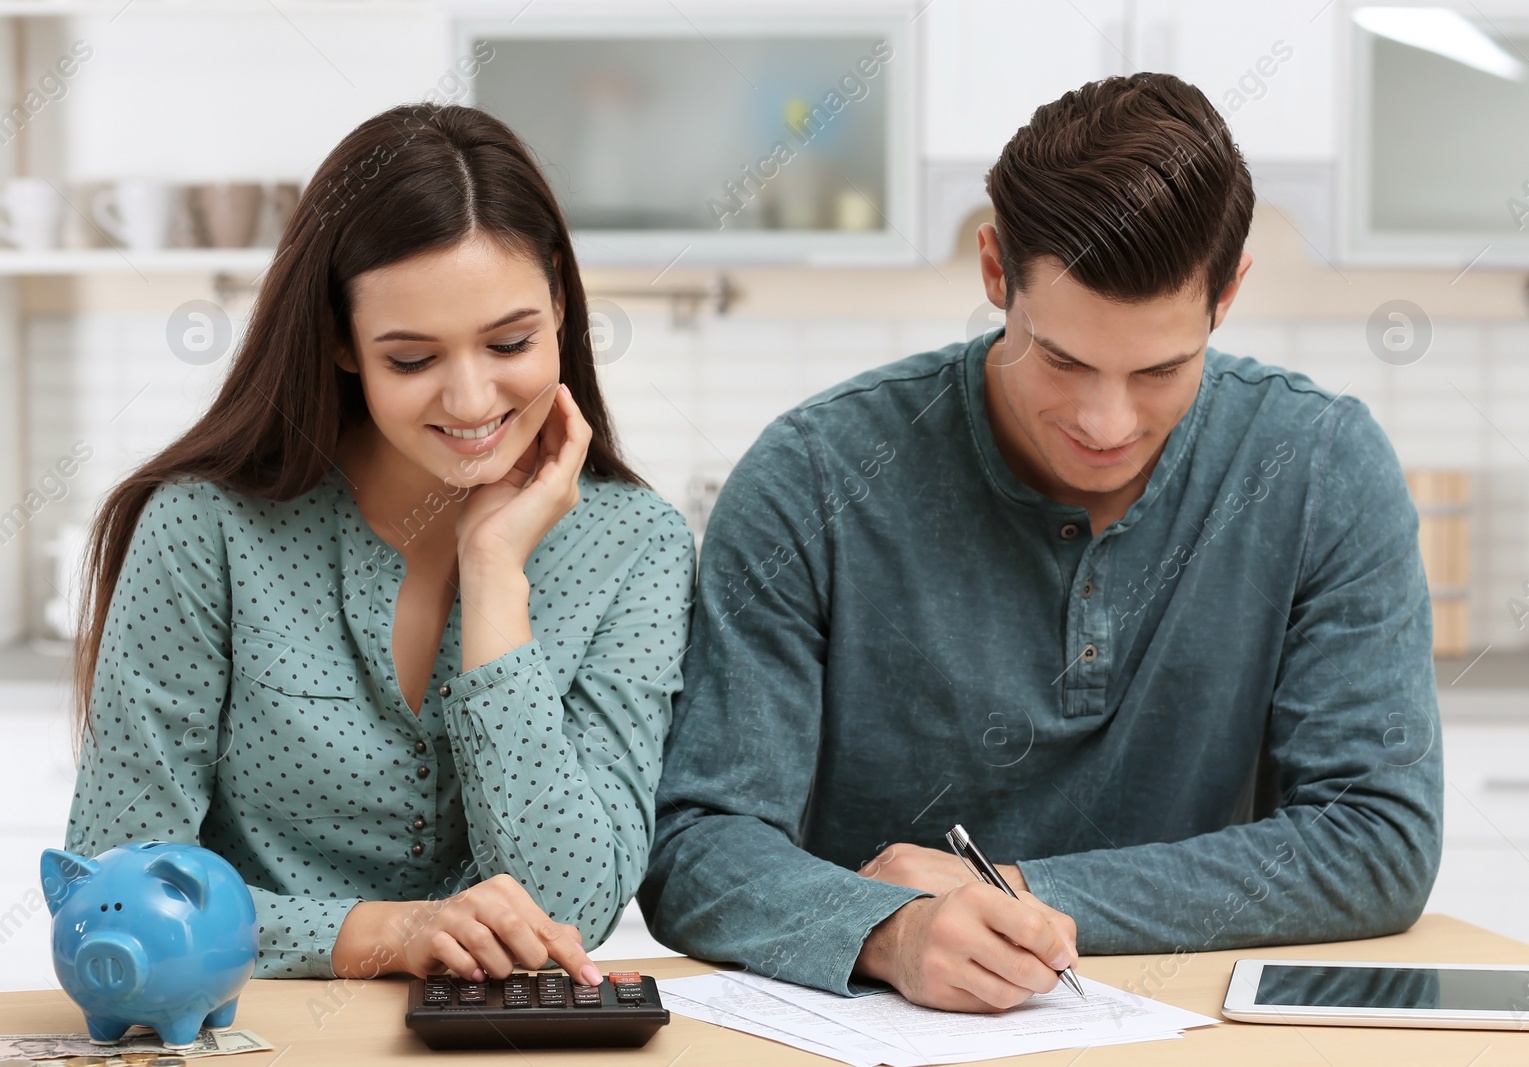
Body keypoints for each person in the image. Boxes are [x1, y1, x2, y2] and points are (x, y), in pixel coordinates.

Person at [641, 72, 1443, 1013]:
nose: (1107, 421)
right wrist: (890, 932)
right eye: (1062, 359)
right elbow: (701, 844)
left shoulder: (1322, 469)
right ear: (994, 271)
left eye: (1160, 370)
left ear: (1227, 294)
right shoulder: (811, 478)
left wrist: (1018, 899)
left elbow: (1374, 836)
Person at [65, 103, 695, 984]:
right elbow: (109, 889)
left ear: (559, 299)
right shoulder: (203, 529)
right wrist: (385, 932)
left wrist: (493, 576)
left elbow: (569, 908)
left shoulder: (641, 547)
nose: (473, 400)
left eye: (510, 341)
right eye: (412, 359)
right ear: (340, 339)